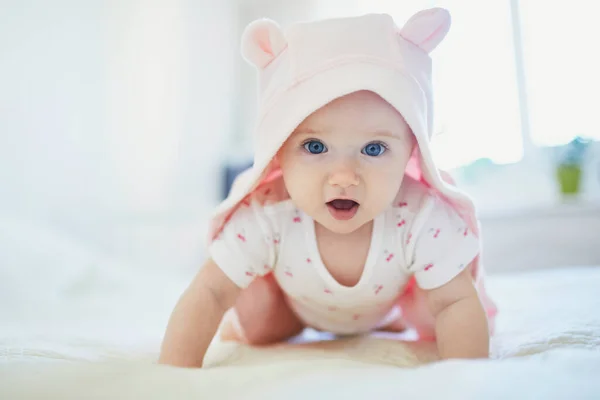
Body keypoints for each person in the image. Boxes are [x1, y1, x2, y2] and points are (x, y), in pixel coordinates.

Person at [158, 8, 497, 368]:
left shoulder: (419, 213)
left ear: (412, 151)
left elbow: (455, 302)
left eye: (374, 149)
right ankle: (290, 316)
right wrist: (175, 375)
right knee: (255, 319)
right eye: (315, 147)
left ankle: (392, 319)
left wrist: (466, 379)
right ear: (279, 152)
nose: (344, 176)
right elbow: (209, 292)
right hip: (292, 307)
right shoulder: (269, 212)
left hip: (390, 302)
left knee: (440, 303)